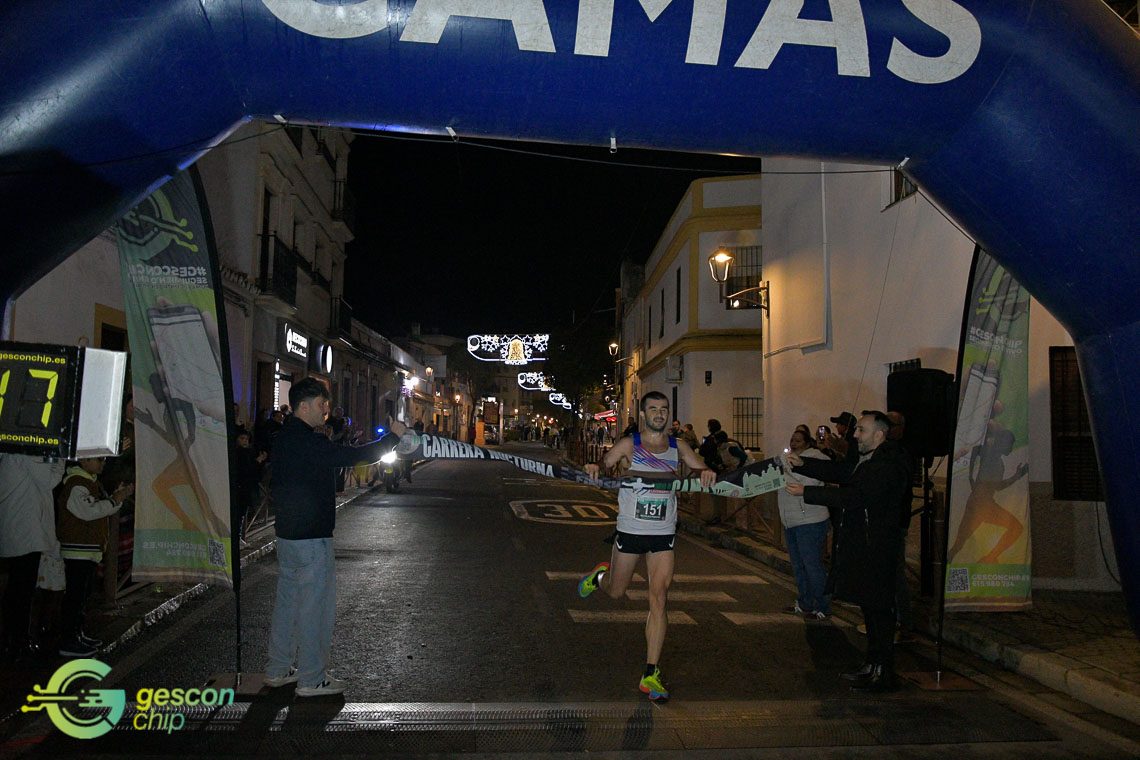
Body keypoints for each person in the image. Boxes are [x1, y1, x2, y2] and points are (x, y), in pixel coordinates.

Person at [264, 377, 405, 697]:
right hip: (312, 537)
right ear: (302, 406)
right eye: (320, 404)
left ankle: (278, 668)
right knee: (315, 609)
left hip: (286, 535)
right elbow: (355, 456)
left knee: (287, 604)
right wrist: (393, 438)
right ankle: (312, 678)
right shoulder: (311, 442)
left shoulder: (283, 438)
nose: (326, 410)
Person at [579, 391, 716, 701]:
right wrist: (595, 467)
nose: (659, 413)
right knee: (617, 591)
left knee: (659, 597)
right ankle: (600, 576)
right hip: (630, 529)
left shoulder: (678, 447)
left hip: (663, 533)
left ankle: (650, 673)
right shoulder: (631, 444)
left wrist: (705, 471)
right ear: (643, 414)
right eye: (653, 409)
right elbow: (605, 462)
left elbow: (699, 467)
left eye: (663, 409)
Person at [785, 411, 909, 693]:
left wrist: (807, 493)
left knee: (880, 611)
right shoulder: (868, 459)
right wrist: (804, 464)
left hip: (878, 547)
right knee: (870, 608)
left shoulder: (888, 464)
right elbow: (841, 472)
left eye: (861, 430)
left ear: (879, 435)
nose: (855, 434)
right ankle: (872, 664)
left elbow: (855, 496)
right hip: (864, 545)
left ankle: (883, 672)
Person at [55, 457, 134, 657]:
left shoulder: (90, 483)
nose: (103, 463)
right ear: (84, 460)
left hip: (87, 550)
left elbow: (102, 509)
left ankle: (77, 635)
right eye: (99, 459)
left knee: (82, 597)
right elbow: (89, 512)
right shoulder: (76, 484)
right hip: (77, 551)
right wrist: (115, 499)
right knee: (75, 597)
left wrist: (118, 498)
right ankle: (69, 640)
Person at [0, 454, 66, 659]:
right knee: (22, 589)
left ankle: (14, 639)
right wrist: (60, 458)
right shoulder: (26, 454)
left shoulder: (13, 453)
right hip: (26, 531)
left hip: (20, 528)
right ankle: (17, 641)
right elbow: (49, 480)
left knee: (17, 588)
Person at [778, 429, 832, 619]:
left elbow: (808, 481)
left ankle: (823, 606)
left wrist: (782, 472)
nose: (794, 443)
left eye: (798, 440)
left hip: (810, 520)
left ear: (807, 443)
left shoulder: (817, 459)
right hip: (791, 521)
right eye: (792, 439)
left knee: (812, 565)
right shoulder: (786, 459)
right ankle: (805, 603)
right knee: (798, 566)